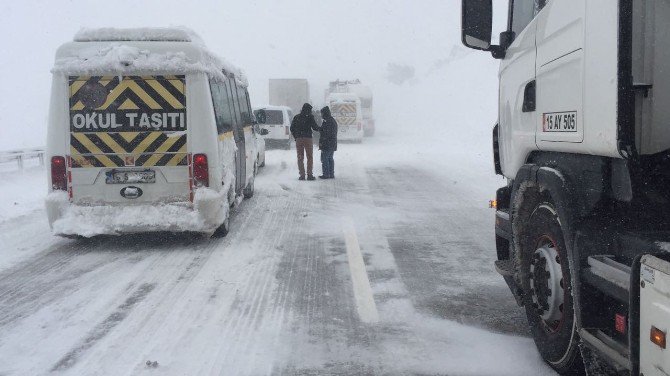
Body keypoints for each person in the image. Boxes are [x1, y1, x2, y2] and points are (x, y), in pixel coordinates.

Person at [290, 103, 318, 180]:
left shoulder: (296, 117)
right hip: (308, 139)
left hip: (299, 139)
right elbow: (315, 127)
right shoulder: (310, 117)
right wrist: (321, 129)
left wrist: (296, 137)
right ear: (308, 110)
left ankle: (302, 175)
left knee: (300, 157)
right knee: (309, 157)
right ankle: (309, 175)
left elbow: (292, 128)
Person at [314, 106, 338, 179]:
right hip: (332, 143)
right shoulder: (332, 120)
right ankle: (331, 174)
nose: (321, 115)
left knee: (325, 159)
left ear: (325, 113)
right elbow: (326, 131)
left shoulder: (327, 121)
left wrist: (322, 141)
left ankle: (326, 174)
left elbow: (325, 133)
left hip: (327, 144)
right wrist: (319, 128)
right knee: (330, 158)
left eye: (322, 113)